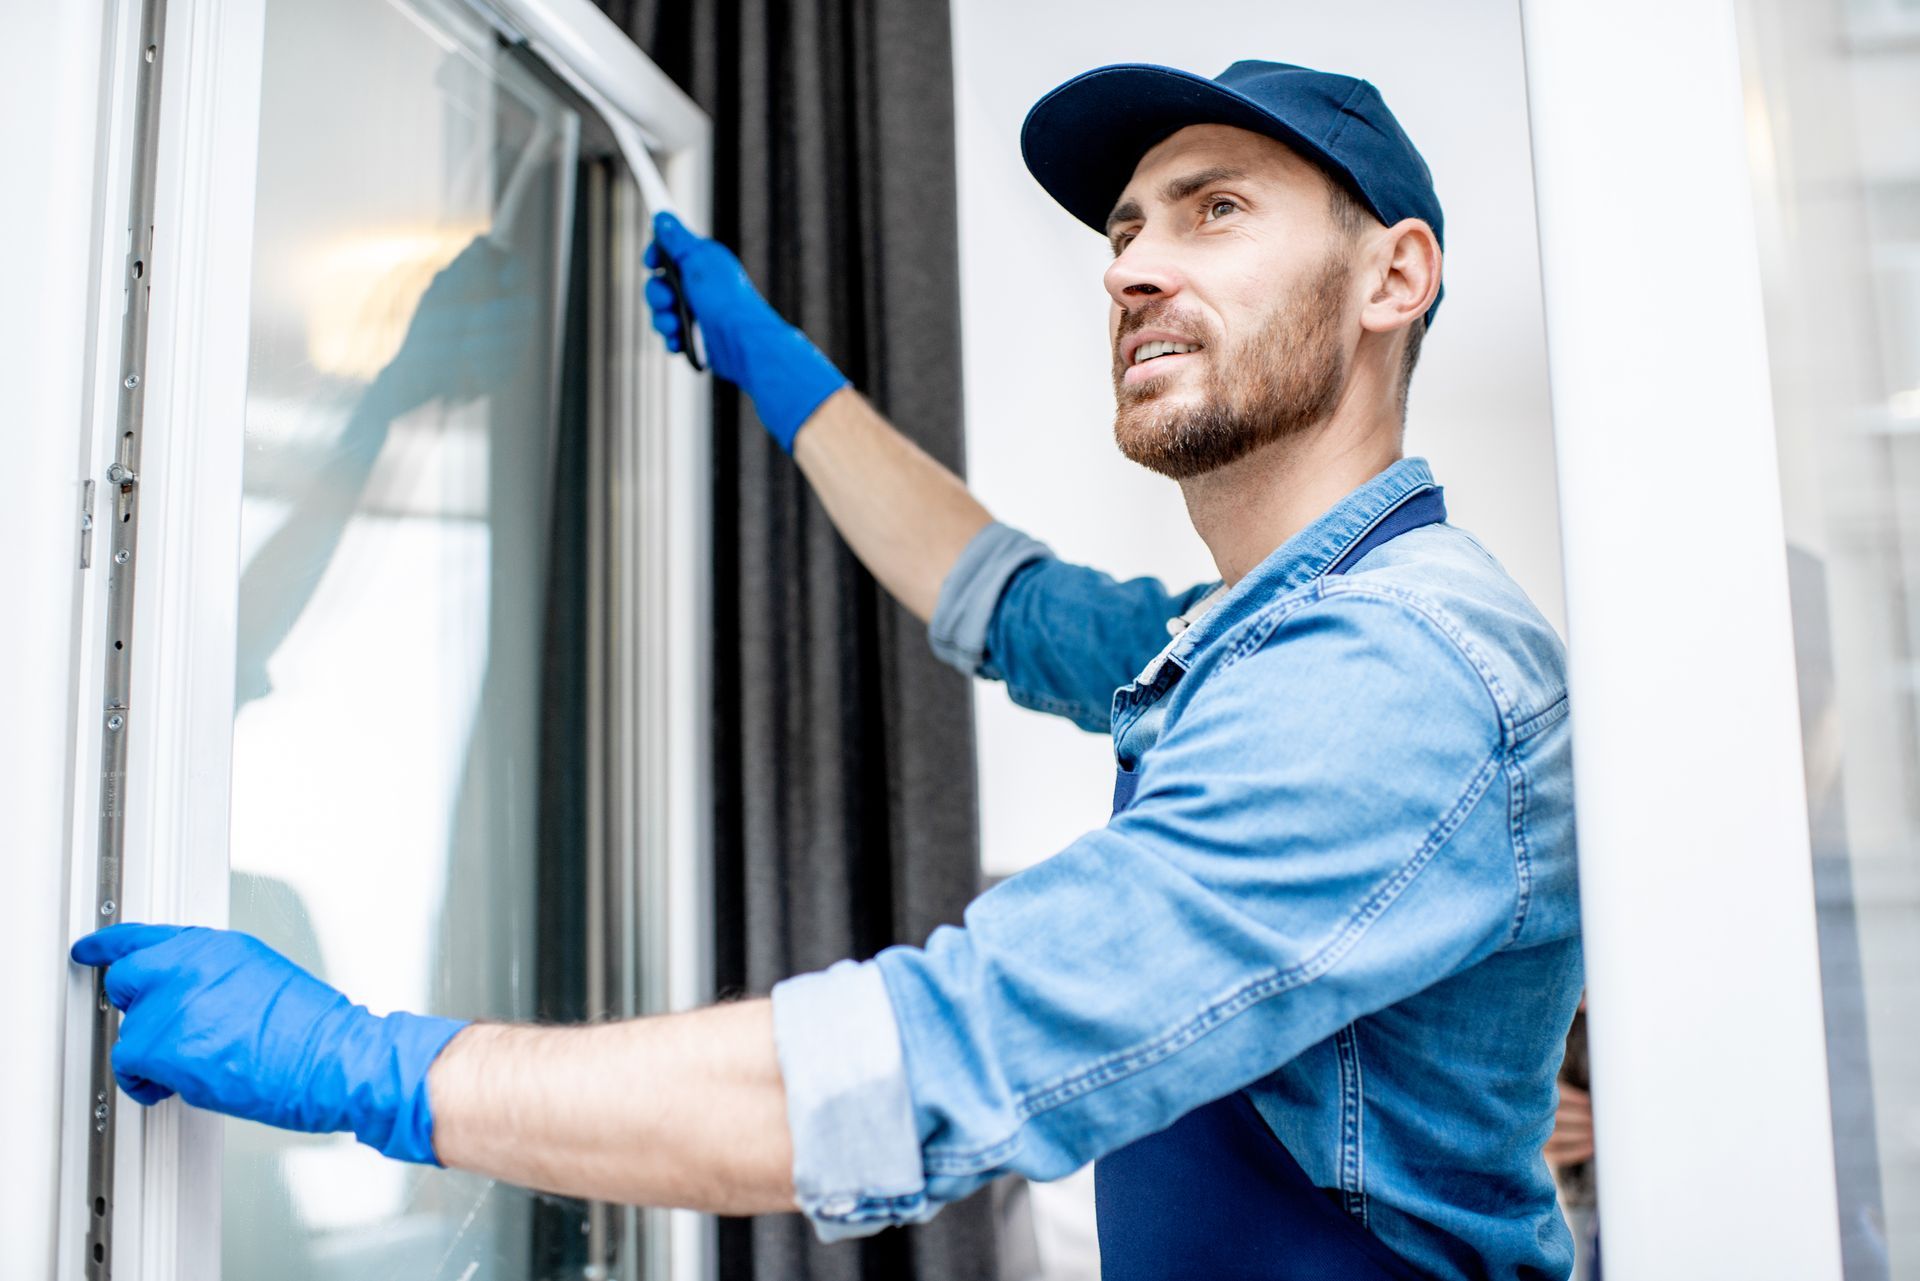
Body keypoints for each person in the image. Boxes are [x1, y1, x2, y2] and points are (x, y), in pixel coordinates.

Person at [73, 60, 1582, 1279]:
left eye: (1215, 211)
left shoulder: (1393, 668)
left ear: (1395, 276)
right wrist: (775, 366)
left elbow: (940, 1053)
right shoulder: (1257, 630)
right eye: (1125, 230)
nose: (1134, 269)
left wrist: (378, 1070)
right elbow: (999, 595)